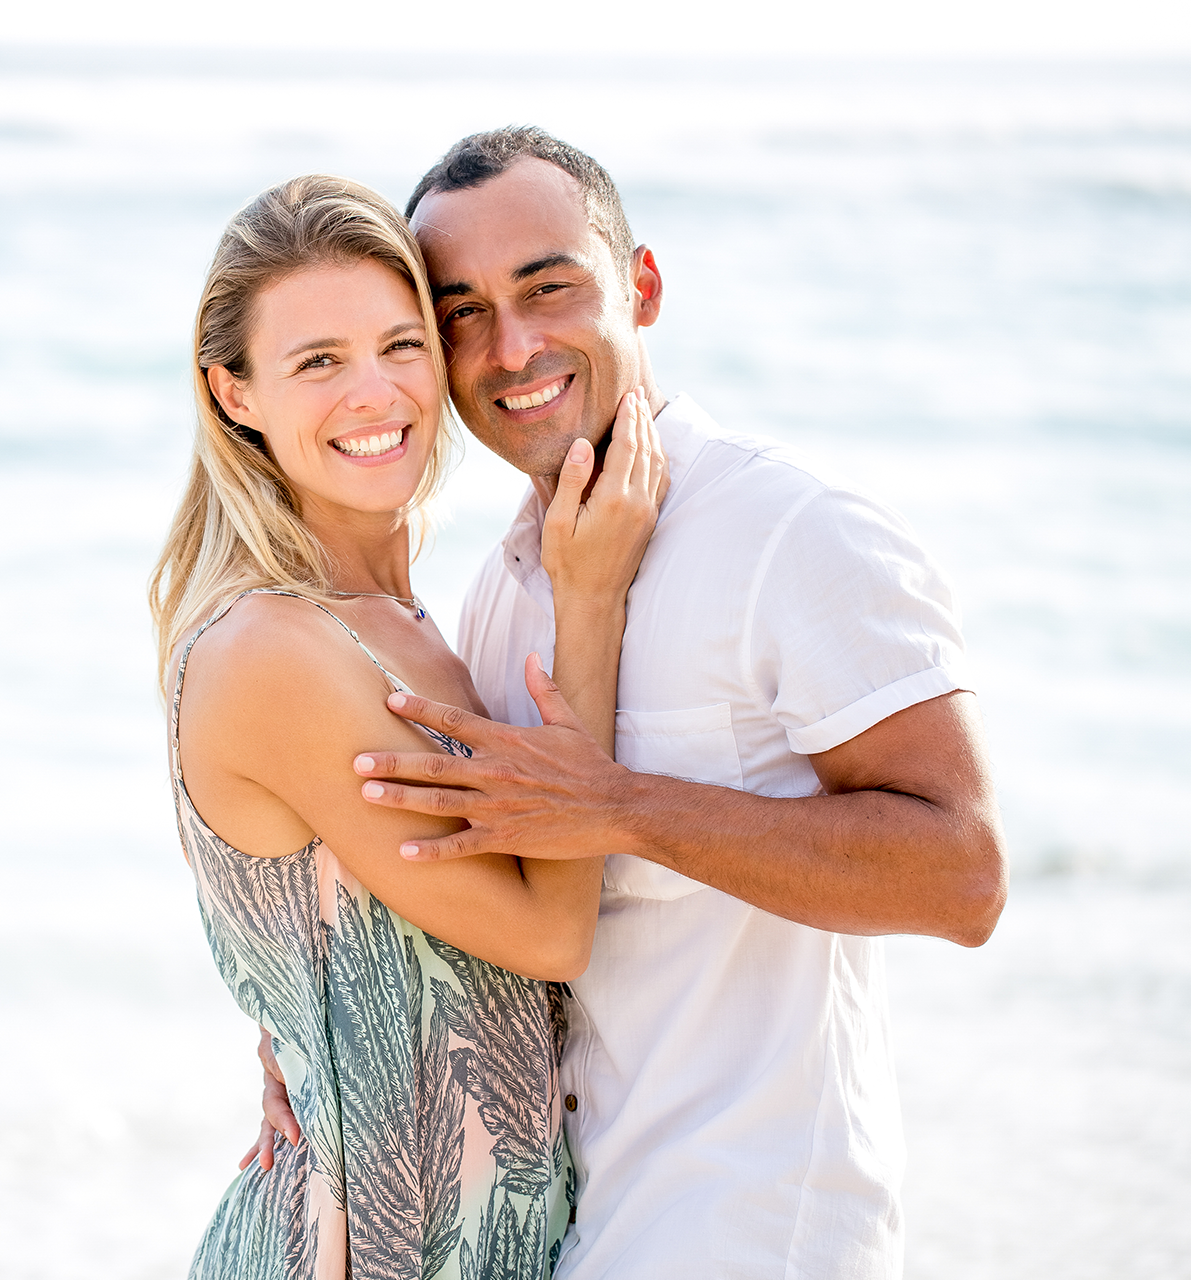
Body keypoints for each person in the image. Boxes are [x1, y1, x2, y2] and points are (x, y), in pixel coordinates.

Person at [248, 129, 1009, 1278]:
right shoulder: (499, 589)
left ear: (640, 286)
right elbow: (487, 897)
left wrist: (623, 806)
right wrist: (315, 1024)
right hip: (574, 1228)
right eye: (461, 313)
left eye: (548, 288)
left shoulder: (790, 532)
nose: (512, 347)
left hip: (753, 1231)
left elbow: (964, 874)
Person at [150, 174, 666, 1279]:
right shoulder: (270, 648)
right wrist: (592, 601)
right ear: (234, 393)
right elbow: (547, 935)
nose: (375, 392)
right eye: (318, 360)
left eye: (401, 343)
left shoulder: (416, 620)